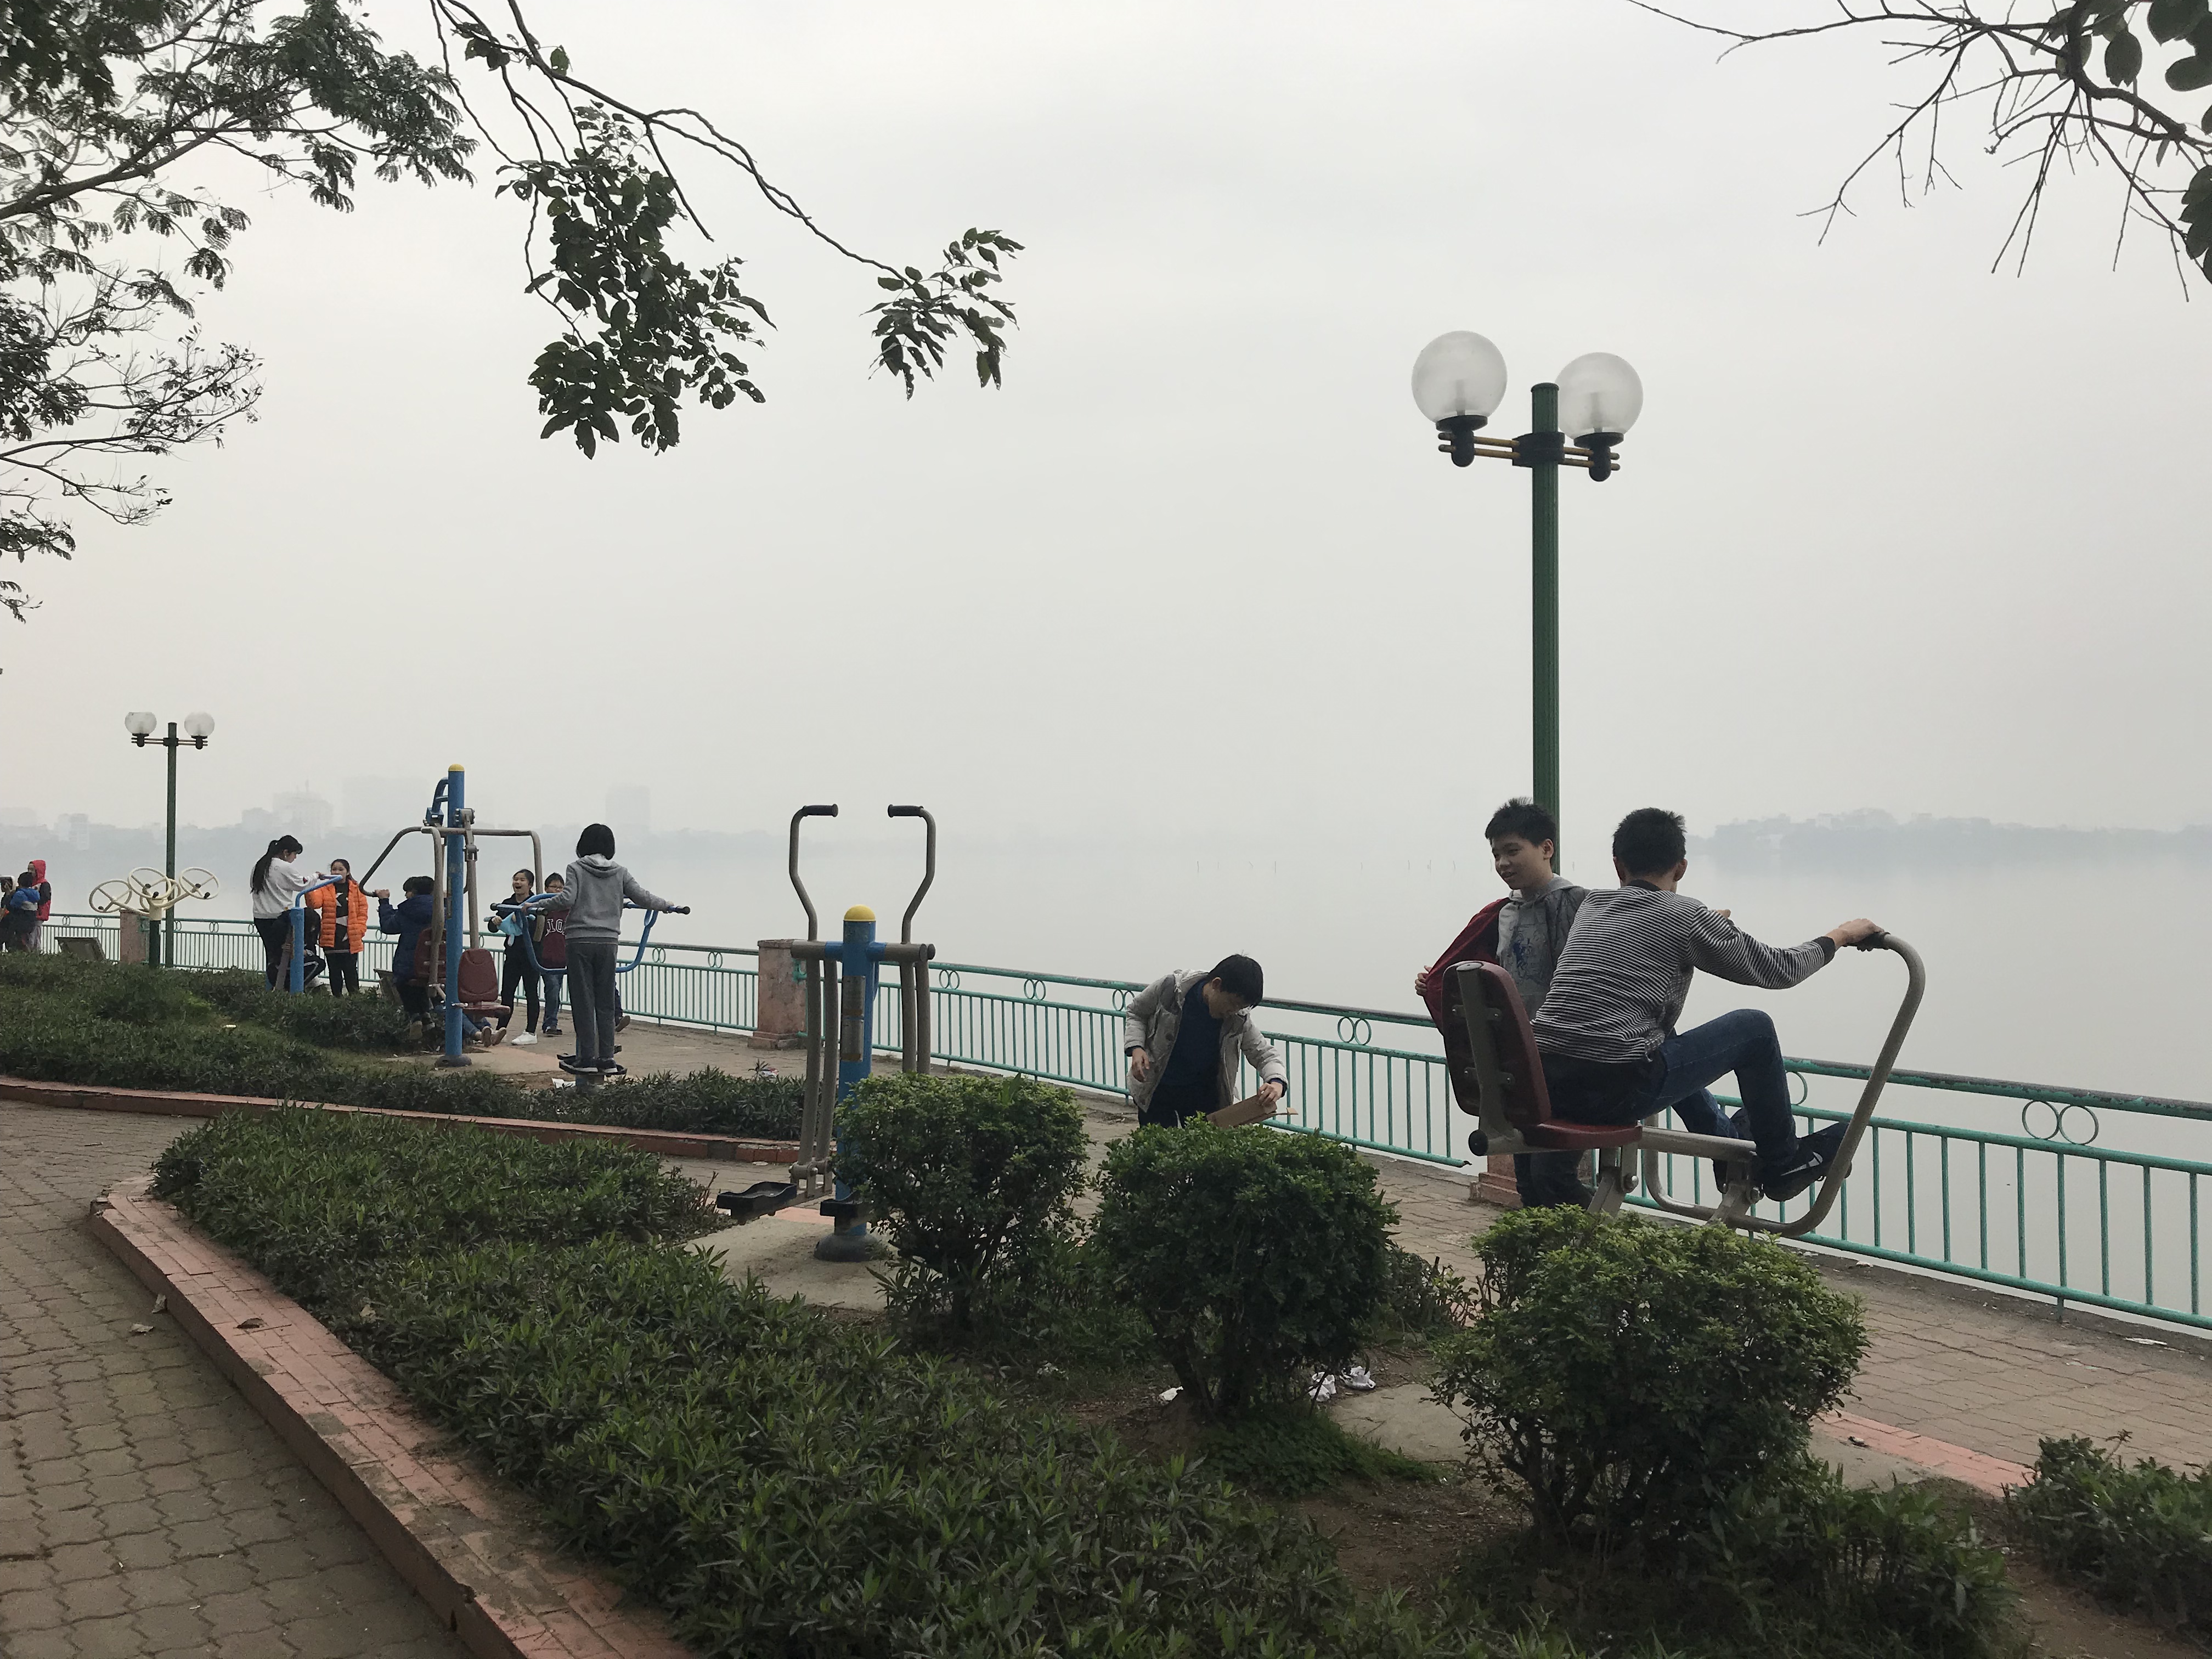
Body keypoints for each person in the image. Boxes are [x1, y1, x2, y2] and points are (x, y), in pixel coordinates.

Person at [1532, 808, 1880, 1203]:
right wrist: (1841, 935)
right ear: (1681, 868)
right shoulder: (1687, 916)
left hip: (1549, 1084)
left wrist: (1703, 926)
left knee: (1659, 1039)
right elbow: (1780, 970)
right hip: (1616, 1092)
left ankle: (1723, 1140)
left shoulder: (1593, 906)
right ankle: (1784, 1162)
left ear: (1618, 865)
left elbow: (1639, 943)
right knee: (1755, 1028)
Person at [1414, 798, 1592, 1208]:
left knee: (1553, 1175)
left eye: (1513, 851)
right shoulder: (1503, 913)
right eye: (1496, 854)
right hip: (1521, 1062)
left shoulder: (1579, 904)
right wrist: (1438, 982)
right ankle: (1545, 1248)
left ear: (1546, 848)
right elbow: (1483, 969)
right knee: (1527, 1180)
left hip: (1566, 1060)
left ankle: (1598, 1243)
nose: (1503, 863)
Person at [537, 825, 686, 1077]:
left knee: (583, 1002)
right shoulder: (620, 872)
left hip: (580, 941)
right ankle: (607, 1058)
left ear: (583, 845)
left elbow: (566, 899)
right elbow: (642, 897)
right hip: (608, 942)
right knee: (606, 1003)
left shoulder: (576, 868)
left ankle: (587, 1058)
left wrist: (539, 905)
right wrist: (667, 906)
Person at [1122, 954, 1288, 1127]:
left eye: (1241, 1007)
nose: (1233, 1011)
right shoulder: (1171, 989)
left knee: (1202, 1143)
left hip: (1203, 1094)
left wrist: (1276, 1082)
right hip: (1157, 1087)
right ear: (1216, 984)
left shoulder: (1238, 1019)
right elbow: (1136, 1012)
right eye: (1232, 1003)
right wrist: (1136, 1048)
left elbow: (1265, 1054)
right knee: (1156, 1142)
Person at [248, 836, 319, 987]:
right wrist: (316, 876)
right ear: (286, 852)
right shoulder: (283, 867)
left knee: (273, 955)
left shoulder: (260, 865)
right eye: (295, 854)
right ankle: (290, 985)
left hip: (261, 917)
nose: (295, 859)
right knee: (287, 954)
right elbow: (302, 884)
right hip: (280, 917)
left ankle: (275, 985)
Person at [489, 867, 543, 1045]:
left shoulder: (535, 904)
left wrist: (521, 919)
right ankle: (501, 1030)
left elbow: (538, 929)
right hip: (512, 955)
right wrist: (495, 922)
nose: (518, 883)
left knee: (531, 993)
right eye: (515, 879)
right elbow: (493, 927)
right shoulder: (507, 903)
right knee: (507, 993)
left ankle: (531, 1032)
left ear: (530, 884)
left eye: (522, 880)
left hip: (531, 955)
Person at [376, 876, 433, 1032]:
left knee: (402, 980)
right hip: (438, 965)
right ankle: (426, 1014)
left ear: (413, 892)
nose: (406, 896)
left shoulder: (407, 911)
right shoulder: (443, 909)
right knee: (420, 980)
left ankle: (415, 1016)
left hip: (410, 965)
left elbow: (388, 926)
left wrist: (384, 903)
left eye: (407, 892)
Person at [318, 857, 373, 997]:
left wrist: (360, 930)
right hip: (331, 938)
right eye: (334, 869)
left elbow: (363, 912)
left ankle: (355, 1001)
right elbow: (314, 904)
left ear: (348, 872)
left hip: (350, 939)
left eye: (341, 869)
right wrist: (310, 886)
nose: (337, 872)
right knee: (334, 972)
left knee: (351, 971)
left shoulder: (356, 889)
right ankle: (337, 1000)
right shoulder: (325, 888)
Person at [537, 871, 567, 1038]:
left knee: (556, 991)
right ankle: (550, 1023)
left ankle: (552, 1022)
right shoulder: (543, 909)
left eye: (561, 888)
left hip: (563, 958)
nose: (557, 890)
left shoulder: (568, 910)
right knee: (553, 990)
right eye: (554, 887)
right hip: (545, 959)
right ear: (546, 888)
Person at [3, 872, 40, 950]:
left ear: (20, 882)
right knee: (26, 942)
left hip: (20, 924)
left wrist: (8, 894)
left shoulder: (20, 894)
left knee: (17, 944)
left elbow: (10, 907)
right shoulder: (35, 893)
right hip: (31, 923)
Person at [25, 856, 50, 952]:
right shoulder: (30, 883)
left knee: (35, 938)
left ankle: (36, 954)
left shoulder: (44, 884)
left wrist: (32, 903)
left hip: (39, 915)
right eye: (28, 869)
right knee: (29, 938)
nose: (30, 872)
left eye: (32, 870)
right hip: (30, 915)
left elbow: (45, 898)